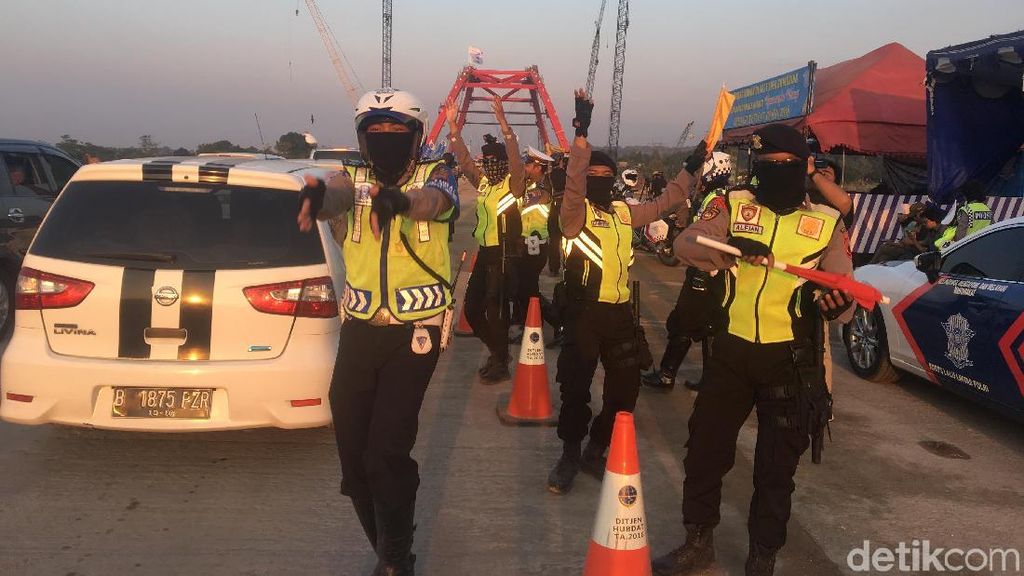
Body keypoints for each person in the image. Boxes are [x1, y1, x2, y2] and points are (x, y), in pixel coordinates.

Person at [651, 124, 854, 576]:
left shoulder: (826, 221)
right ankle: (697, 540)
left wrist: (836, 301)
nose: (773, 173)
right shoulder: (734, 203)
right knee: (705, 450)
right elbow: (684, 243)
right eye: (764, 166)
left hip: (790, 362)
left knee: (776, 468)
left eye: (784, 166)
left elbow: (845, 292)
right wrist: (725, 246)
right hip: (729, 353)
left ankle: (763, 554)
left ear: (803, 168)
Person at [296, 88, 459, 576]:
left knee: (386, 454)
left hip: (416, 334)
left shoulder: (439, 173)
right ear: (362, 139)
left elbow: (437, 202)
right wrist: (318, 197)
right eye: (375, 133)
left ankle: (393, 562)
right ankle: (390, 548)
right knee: (354, 463)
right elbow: (338, 192)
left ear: (416, 136)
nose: (384, 141)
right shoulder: (353, 176)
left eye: (396, 132)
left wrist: (402, 202)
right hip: (361, 331)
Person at [547, 89, 704, 494]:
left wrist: (690, 168)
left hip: (619, 317)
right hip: (583, 315)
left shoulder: (622, 212)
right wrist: (581, 135)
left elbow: (667, 201)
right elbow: (575, 184)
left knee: (625, 391)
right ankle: (568, 454)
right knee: (576, 390)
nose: (598, 180)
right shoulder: (574, 214)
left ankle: (595, 450)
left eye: (605, 176)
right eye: (592, 176)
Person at [446, 99, 526, 382]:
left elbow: (516, 162)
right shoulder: (484, 183)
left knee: (497, 311)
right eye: (486, 161)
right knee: (471, 309)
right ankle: (498, 352)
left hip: (506, 256)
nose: (489, 166)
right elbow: (466, 162)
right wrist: (453, 129)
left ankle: (500, 362)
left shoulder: (513, 185)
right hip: (485, 253)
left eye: (494, 161)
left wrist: (505, 126)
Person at [642, 151, 733, 392]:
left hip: (705, 271)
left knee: (684, 322)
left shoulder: (716, 201)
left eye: (702, 171)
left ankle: (667, 374)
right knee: (708, 325)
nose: (699, 176)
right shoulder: (719, 196)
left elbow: (706, 237)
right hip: (711, 270)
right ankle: (706, 379)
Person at [512, 146, 560, 337]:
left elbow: (521, 201)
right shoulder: (533, 186)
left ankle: (553, 321)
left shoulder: (542, 190)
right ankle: (530, 321)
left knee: (528, 289)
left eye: (528, 165)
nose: (525, 167)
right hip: (528, 244)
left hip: (536, 245)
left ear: (538, 167)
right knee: (524, 287)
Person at [933, 180, 993, 249]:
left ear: (967, 195)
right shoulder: (987, 209)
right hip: (985, 248)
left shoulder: (966, 210)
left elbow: (960, 236)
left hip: (969, 249)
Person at [547, 152, 567, 276]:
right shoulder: (567, 175)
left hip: (553, 209)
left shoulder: (548, 176)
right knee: (568, 240)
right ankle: (567, 266)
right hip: (566, 209)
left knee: (553, 241)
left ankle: (554, 268)